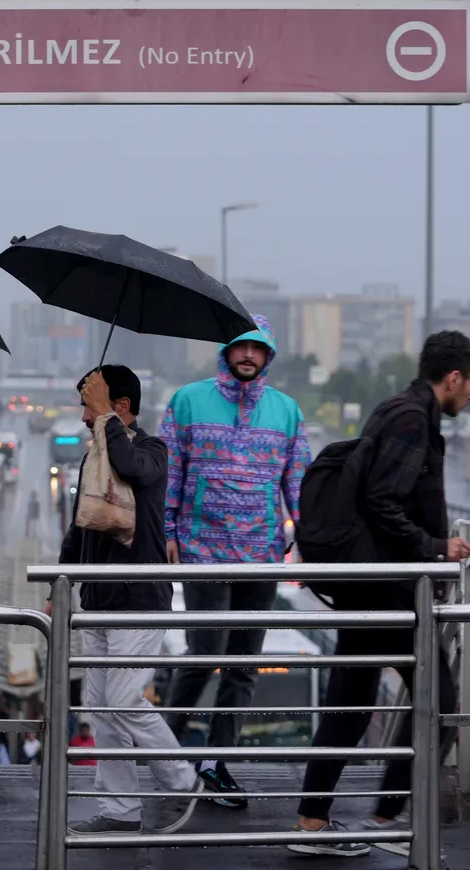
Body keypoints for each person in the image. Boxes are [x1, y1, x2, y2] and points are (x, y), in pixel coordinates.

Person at [288, 330, 470, 858]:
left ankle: (318, 822)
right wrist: (436, 546)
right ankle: (384, 819)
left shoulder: (397, 411)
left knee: (349, 705)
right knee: (438, 701)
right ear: (453, 377)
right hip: (388, 587)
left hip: (373, 584)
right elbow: (382, 501)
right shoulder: (411, 420)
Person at [159, 314, 312, 807]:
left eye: (258, 349)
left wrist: (305, 535)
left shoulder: (286, 410)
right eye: (240, 347)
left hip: (263, 554)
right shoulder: (187, 401)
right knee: (204, 656)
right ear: (225, 352)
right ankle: (164, 757)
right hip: (203, 548)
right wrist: (167, 528)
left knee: (243, 666)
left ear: (268, 357)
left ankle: (216, 763)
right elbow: (170, 470)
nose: (248, 356)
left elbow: (298, 481)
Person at [55, 365, 202, 838]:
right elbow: (80, 529)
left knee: (123, 698)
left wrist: (105, 422)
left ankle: (182, 781)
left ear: (120, 407)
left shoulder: (151, 450)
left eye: (90, 403)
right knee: (99, 705)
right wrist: (60, 587)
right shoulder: (94, 456)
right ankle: (120, 807)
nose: (82, 415)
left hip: (139, 599)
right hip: (98, 600)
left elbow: (132, 470)